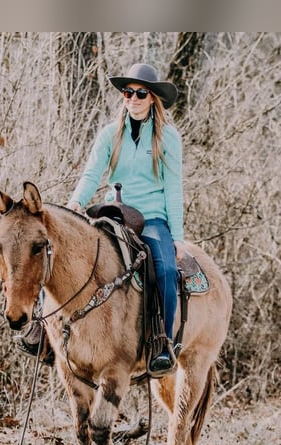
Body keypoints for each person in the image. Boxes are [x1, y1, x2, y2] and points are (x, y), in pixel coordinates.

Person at [66, 62, 184, 375]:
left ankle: (162, 342)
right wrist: (76, 201)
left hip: (152, 219)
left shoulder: (168, 138)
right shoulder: (109, 135)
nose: (132, 98)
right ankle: (49, 334)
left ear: (153, 98)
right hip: (114, 212)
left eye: (140, 93)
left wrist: (179, 237)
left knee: (167, 271)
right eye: (127, 92)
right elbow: (92, 173)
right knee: (63, 252)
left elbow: (174, 189)